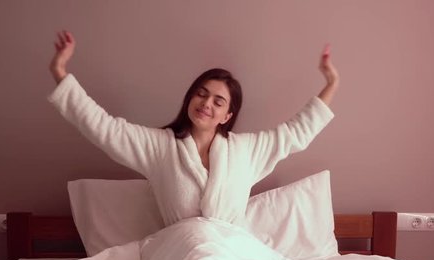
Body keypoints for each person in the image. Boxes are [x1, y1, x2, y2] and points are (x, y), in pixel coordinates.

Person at [48, 30, 339, 228]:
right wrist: (60, 72)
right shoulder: (160, 147)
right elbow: (104, 128)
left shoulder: (248, 151)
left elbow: (296, 132)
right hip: (180, 255)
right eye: (201, 93)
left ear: (227, 115)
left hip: (233, 256)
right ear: (190, 97)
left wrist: (331, 84)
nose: (206, 103)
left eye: (218, 101)